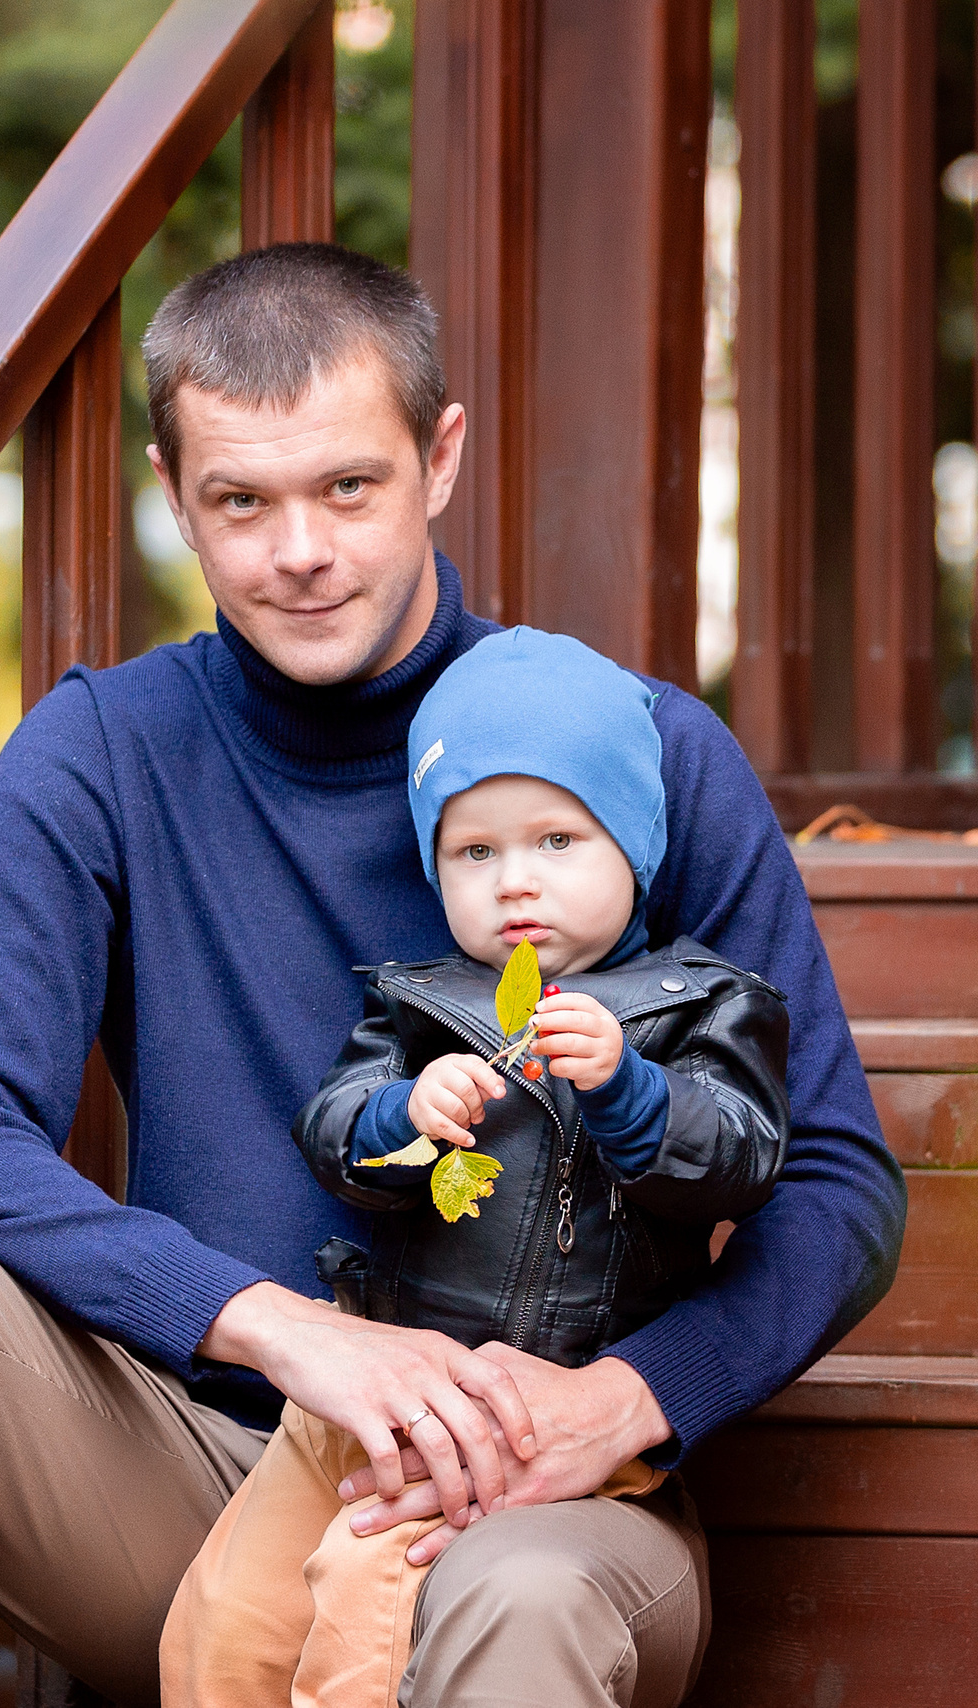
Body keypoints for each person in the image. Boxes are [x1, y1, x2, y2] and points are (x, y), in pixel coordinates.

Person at [0, 242, 905, 1708]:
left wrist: (631, 1406)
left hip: (538, 1500)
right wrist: (293, 1335)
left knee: (520, 1602)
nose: (300, 552)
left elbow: (838, 1183)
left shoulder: (635, 752)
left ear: (439, 456)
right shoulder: (104, 754)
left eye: (348, 486)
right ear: (175, 497)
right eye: (241, 501)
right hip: (195, 1471)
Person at [159, 626, 791, 1708]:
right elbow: (333, 1130)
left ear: (632, 844)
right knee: (226, 1615)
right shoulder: (421, 1002)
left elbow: (743, 1157)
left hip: (530, 1409)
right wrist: (403, 1113)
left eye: (557, 840)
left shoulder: (704, 1005)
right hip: (375, 1381)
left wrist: (632, 1092)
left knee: (366, 1601)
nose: (515, 885)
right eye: (475, 852)